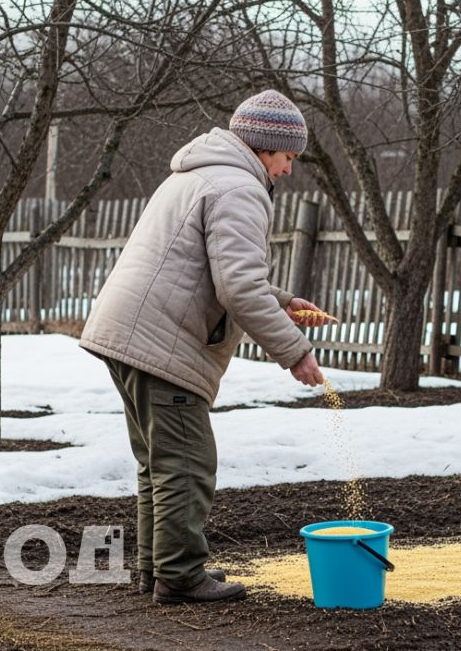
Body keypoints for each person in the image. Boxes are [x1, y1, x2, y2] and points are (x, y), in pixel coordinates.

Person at [80, 90, 333, 604]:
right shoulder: (239, 188)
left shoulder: (201, 173)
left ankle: (160, 569)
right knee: (188, 462)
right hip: (161, 340)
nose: (288, 170)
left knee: (160, 462)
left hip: (133, 334)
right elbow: (237, 288)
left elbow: (204, 267)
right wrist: (295, 351)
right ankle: (179, 576)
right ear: (265, 148)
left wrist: (281, 301)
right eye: (288, 157)